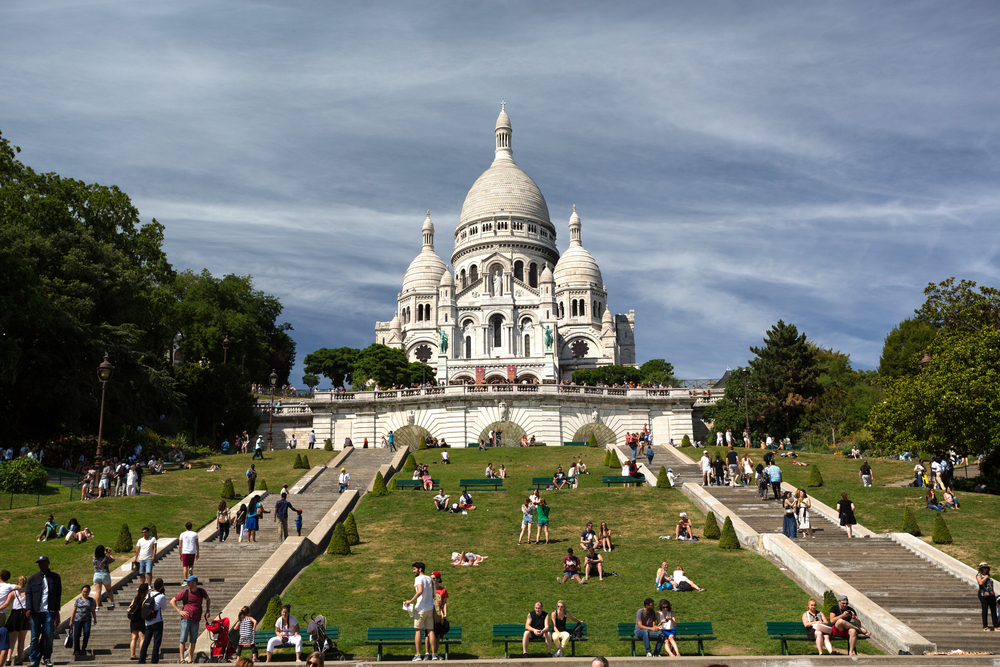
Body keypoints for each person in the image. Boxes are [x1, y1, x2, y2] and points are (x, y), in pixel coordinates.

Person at [26, 555, 62, 667]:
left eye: (43, 563)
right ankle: (35, 660)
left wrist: (57, 611)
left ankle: (47, 658)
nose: (41, 565)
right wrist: (28, 608)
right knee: (34, 637)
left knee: (48, 636)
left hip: (49, 611)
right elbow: (28, 594)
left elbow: (58, 595)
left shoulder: (55, 577)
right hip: (36, 612)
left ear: (48, 563)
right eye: (39, 563)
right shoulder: (33, 578)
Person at [170, 575, 210, 664]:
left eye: (189, 582)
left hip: (196, 619)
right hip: (186, 619)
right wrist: (180, 611)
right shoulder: (185, 592)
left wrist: (207, 610)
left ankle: (190, 659)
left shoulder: (201, 591)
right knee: (183, 639)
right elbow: (172, 601)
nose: (187, 583)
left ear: (194, 583)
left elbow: (208, 599)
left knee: (193, 640)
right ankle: (181, 659)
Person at [405, 562, 438, 661]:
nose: (413, 571)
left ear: (420, 569)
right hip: (430, 608)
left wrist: (410, 601)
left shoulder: (418, 579)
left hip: (420, 609)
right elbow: (433, 594)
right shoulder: (430, 578)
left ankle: (418, 655)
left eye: (414, 569)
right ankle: (434, 654)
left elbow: (420, 591)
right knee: (430, 631)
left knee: (418, 631)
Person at [138, 577, 166, 664]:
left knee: (146, 642)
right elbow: (164, 608)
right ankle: (154, 661)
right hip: (157, 621)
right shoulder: (161, 596)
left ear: (153, 585)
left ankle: (141, 660)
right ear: (161, 587)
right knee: (156, 642)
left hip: (147, 622)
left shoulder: (148, 595)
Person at [2, 575, 29, 663]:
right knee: (21, 640)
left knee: (12, 639)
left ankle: (8, 658)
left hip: (15, 615)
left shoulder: (13, 593)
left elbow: (6, 604)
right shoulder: (28, 592)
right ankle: (19, 660)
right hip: (24, 615)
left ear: (17, 582)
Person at [71, 584, 97, 656]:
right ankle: (76, 650)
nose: (85, 593)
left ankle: (83, 648)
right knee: (76, 635)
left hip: (87, 619)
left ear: (89, 592)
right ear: (81, 592)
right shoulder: (78, 600)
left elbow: (93, 610)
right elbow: (74, 610)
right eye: (83, 591)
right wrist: (71, 620)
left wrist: (95, 619)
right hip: (77, 619)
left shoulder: (91, 600)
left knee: (86, 632)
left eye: (86, 592)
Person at [128, 583, 149, 660]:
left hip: (133, 620)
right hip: (141, 620)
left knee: (133, 638)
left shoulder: (134, 599)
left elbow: (129, 608)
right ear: (146, 590)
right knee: (142, 639)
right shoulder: (144, 599)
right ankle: (143, 655)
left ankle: (132, 655)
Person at [92, 544, 116, 609]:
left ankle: (97, 606)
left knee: (98, 591)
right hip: (105, 575)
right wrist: (109, 553)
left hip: (97, 575)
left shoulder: (94, 558)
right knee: (108, 590)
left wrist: (104, 553)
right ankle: (112, 602)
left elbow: (99, 556)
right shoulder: (106, 558)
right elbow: (113, 559)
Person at [977, 563, 998, 631]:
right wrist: (985, 577)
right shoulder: (979, 575)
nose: (986, 569)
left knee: (993, 610)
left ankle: (996, 625)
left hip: (991, 594)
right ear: (981, 569)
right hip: (983, 594)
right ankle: (985, 626)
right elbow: (980, 583)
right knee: (985, 609)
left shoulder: (989, 575)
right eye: (984, 568)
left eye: (987, 568)